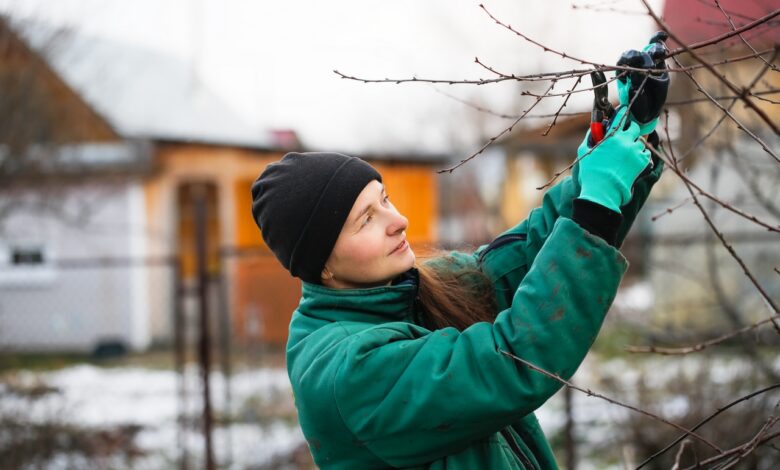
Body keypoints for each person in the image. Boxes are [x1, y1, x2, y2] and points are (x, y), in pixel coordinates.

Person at [250, 62, 665, 470]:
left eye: (385, 199)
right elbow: (510, 362)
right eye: (367, 220)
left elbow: (522, 257)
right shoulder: (350, 372)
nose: (399, 221)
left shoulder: (407, 293)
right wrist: (596, 206)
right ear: (322, 265)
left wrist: (622, 141)